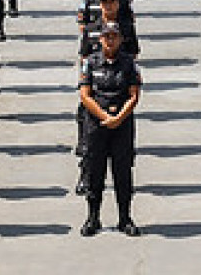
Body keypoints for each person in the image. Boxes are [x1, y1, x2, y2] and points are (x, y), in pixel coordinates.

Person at [78, 20, 141, 237]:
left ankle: (125, 218)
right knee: (95, 171)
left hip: (122, 125)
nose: (110, 40)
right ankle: (93, 217)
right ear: (101, 39)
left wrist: (119, 117)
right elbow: (85, 95)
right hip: (96, 125)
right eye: (107, 36)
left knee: (122, 172)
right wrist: (105, 117)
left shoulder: (129, 63)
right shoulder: (91, 63)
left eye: (114, 36)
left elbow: (134, 95)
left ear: (121, 39)